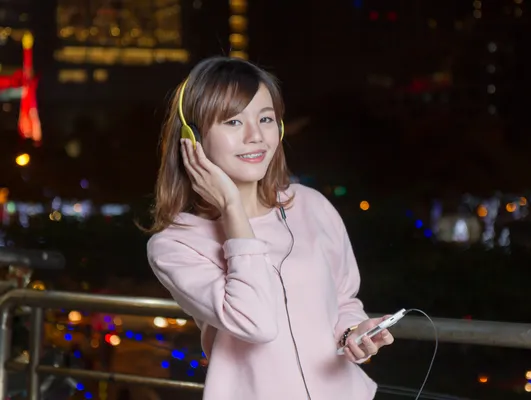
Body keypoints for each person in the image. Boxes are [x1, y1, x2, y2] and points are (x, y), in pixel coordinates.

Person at [145, 56, 394, 400]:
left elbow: (342, 299)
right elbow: (255, 322)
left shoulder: (311, 205)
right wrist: (233, 207)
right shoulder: (175, 245)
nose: (255, 136)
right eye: (233, 122)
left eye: (265, 119)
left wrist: (354, 333)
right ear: (193, 139)